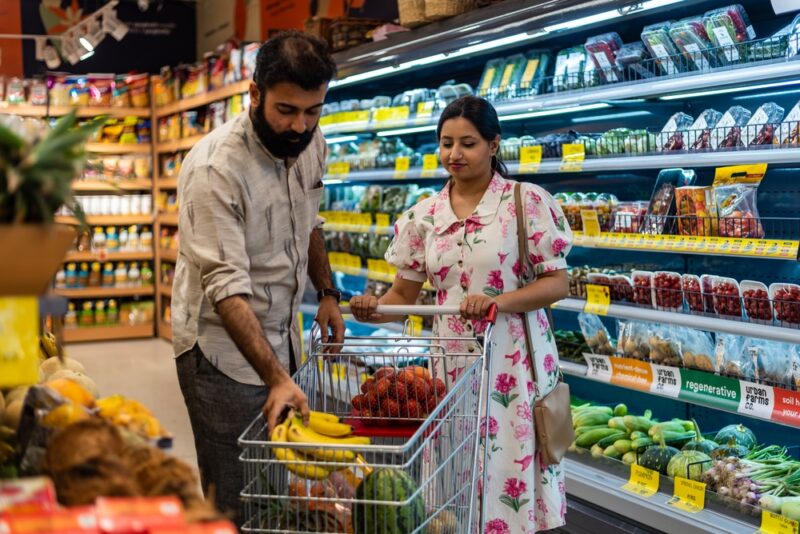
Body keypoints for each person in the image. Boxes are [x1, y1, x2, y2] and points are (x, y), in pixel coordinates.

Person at [349, 96, 572, 533]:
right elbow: (402, 294)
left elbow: (558, 283)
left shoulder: (525, 203)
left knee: (511, 462)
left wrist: (496, 302)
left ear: (493, 144)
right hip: (450, 366)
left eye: (468, 143)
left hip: (515, 360)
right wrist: (370, 308)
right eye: (446, 143)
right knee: (457, 467)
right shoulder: (423, 216)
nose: (454, 154)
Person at [171, 31, 345, 524]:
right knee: (236, 498)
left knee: (273, 491)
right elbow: (225, 290)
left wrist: (328, 291)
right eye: (286, 110)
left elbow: (309, 219)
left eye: (313, 110)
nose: (299, 124)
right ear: (254, 94)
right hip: (220, 351)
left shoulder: (312, 144)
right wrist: (275, 378)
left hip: (280, 338)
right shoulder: (215, 169)